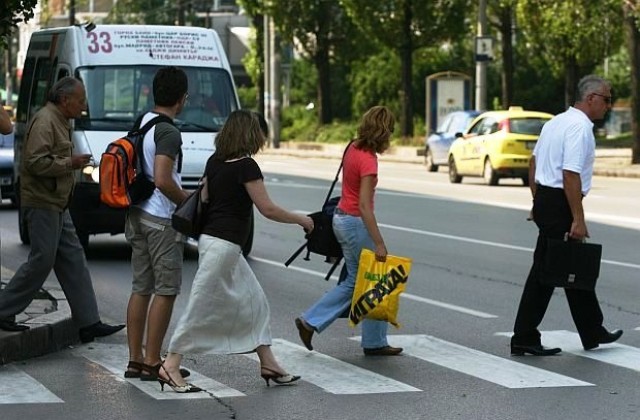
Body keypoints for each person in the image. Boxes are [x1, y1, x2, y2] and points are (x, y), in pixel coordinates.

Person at [160, 110, 313, 393]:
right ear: (250, 134)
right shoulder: (246, 166)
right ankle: (170, 364)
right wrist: (302, 219)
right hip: (224, 246)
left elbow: (204, 198)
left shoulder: (214, 162)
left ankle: (269, 363)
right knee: (201, 307)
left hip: (214, 242)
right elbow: (267, 209)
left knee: (254, 303)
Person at [0, 77, 124, 342]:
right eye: (80, 101)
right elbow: (34, 162)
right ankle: (3, 310)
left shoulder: (60, 120)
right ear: (65, 100)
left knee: (74, 260)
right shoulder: (46, 120)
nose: (83, 106)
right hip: (43, 202)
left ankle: (89, 322)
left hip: (58, 202)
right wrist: (70, 162)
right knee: (42, 260)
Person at [511, 75, 623, 356]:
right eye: (607, 100)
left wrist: (538, 201)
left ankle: (592, 329)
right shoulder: (579, 128)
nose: (608, 106)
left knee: (573, 266)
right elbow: (570, 174)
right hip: (561, 202)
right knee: (547, 272)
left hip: (549, 200)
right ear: (591, 98)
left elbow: (533, 162)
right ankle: (524, 335)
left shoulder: (556, 122)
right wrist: (578, 218)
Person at [294, 105, 403, 357]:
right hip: (355, 222)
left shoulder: (352, 147)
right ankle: (311, 321)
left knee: (368, 281)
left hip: (341, 219)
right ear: (383, 131)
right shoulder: (369, 160)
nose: (392, 137)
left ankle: (373, 341)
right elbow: (364, 206)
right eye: (391, 131)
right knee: (371, 280)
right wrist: (379, 242)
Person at [123, 66, 193, 381]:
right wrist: (188, 202)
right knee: (166, 290)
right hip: (161, 220)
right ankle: (153, 361)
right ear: (182, 98)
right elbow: (164, 179)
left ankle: (135, 359)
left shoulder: (142, 122)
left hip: (136, 214)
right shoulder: (168, 132)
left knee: (141, 287)